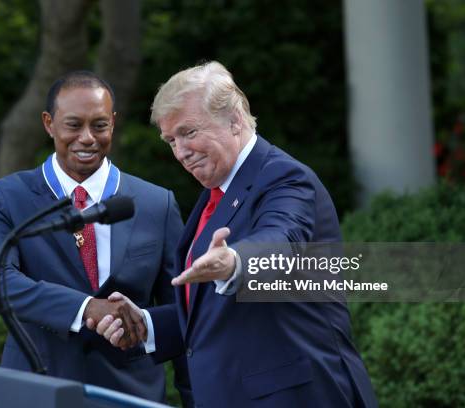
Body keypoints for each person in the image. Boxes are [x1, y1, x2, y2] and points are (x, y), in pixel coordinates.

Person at [91, 61, 378, 407]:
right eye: (171, 140)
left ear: (235, 120)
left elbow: (284, 239)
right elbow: (214, 313)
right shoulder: (215, 194)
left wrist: (235, 262)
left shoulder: (284, 177)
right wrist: (147, 325)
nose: (180, 152)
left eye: (189, 132)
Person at [0, 71, 192, 406]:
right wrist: (86, 307)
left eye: (99, 125)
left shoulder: (157, 203)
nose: (87, 138)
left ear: (113, 123)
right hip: (36, 389)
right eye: (73, 125)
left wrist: (194, 399)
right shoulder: (8, 197)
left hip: (129, 394)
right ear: (49, 123)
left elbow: (184, 310)